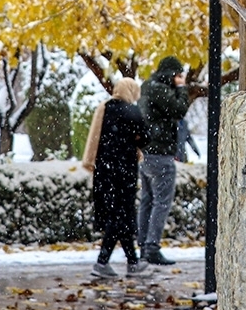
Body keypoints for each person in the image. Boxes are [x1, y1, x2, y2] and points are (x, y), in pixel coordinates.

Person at [81, 78, 151, 279]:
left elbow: (97, 137)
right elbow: (146, 138)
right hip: (124, 172)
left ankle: (132, 262)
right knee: (120, 216)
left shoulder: (104, 108)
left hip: (104, 170)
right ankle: (102, 262)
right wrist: (134, 138)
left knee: (120, 216)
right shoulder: (132, 111)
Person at [136, 56, 190, 266]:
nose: (180, 79)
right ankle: (152, 247)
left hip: (147, 152)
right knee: (161, 202)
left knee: (148, 201)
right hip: (160, 153)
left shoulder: (148, 86)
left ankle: (143, 245)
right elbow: (179, 109)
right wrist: (182, 88)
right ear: (170, 74)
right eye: (177, 75)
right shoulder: (159, 90)